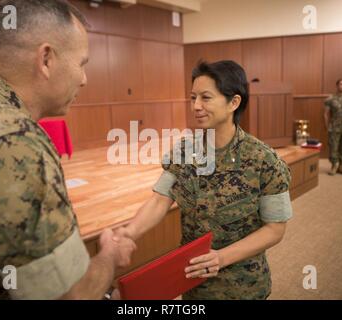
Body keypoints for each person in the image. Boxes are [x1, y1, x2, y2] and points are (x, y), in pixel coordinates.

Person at [0, 0, 136, 300]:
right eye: (81, 63)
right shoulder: (14, 143)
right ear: (46, 59)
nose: (84, 78)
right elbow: (70, 295)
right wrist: (109, 256)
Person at [115, 60, 293, 300]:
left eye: (206, 98)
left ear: (234, 102)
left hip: (243, 287)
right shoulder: (184, 152)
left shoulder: (264, 161)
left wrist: (222, 257)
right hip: (193, 281)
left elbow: (275, 229)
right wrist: (128, 233)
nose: (196, 106)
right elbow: (159, 201)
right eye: (192, 97)